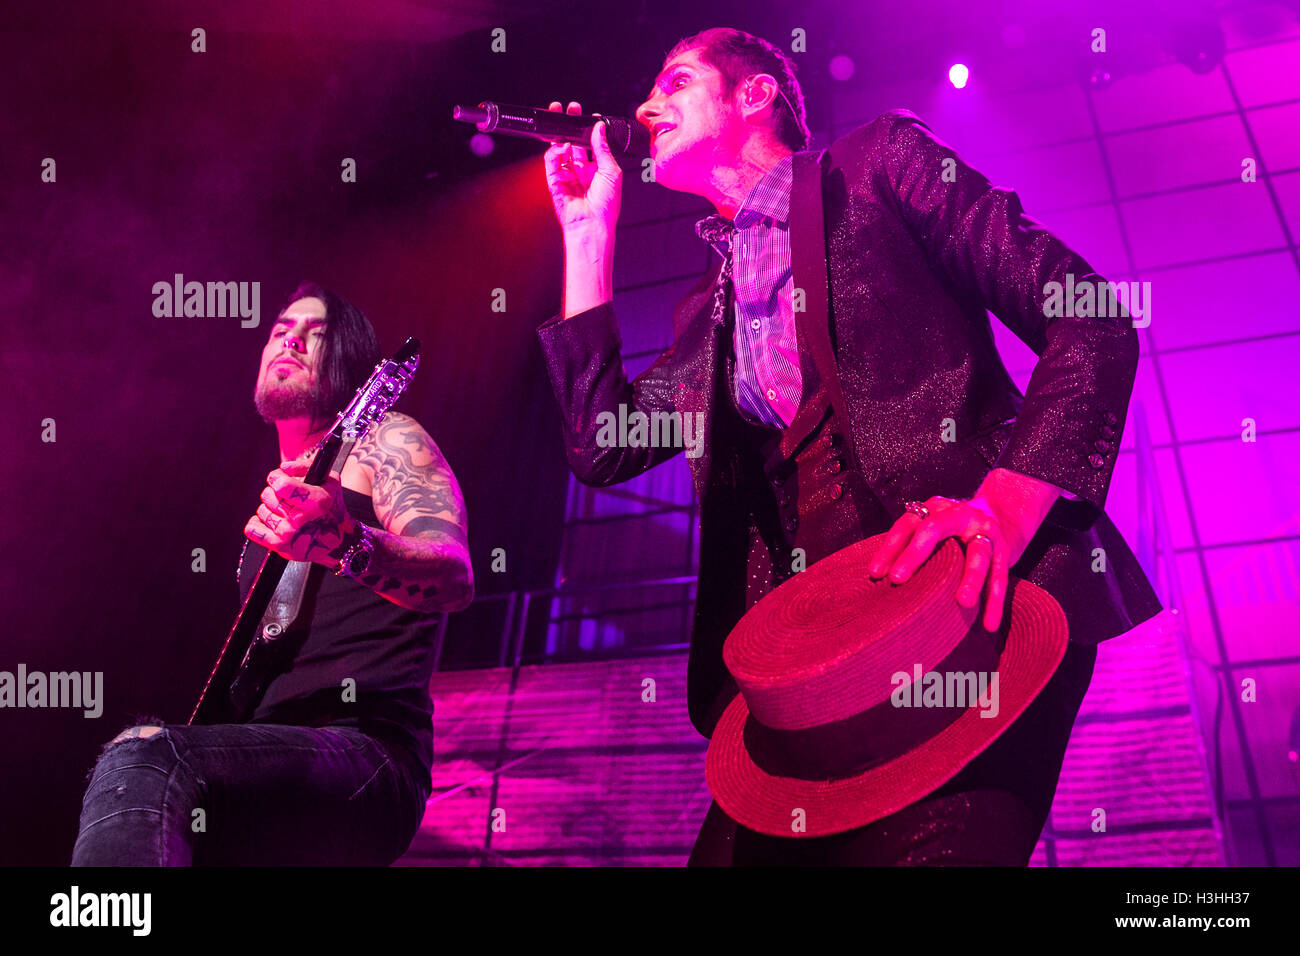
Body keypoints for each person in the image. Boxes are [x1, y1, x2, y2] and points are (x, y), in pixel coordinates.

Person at [537, 27, 1163, 864]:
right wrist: (587, 236)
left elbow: (1089, 316)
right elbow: (601, 445)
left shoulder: (877, 167)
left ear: (754, 94)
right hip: (815, 661)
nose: (648, 106)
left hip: (972, 607)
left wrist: (1003, 512)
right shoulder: (706, 313)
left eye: (676, 81)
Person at [71, 281, 473, 866]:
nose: (291, 340)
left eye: (316, 335)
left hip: (367, 755)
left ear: (352, 368)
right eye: (282, 329)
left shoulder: (384, 442)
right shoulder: (269, 518)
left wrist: (347, 541)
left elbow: (454, 578)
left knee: (145, 757)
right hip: (273, 764)